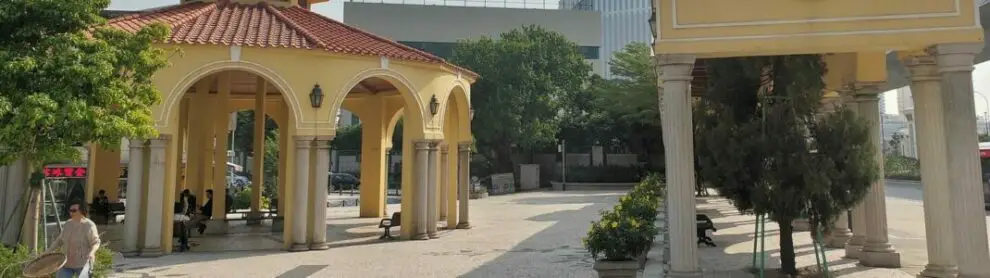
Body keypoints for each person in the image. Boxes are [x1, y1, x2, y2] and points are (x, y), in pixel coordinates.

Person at [47, 202, 100, 278]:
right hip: (66, 263)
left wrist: (92, 252)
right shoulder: (67, 224)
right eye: (70, 210)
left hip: (83, 263)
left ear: (81, 211)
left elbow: (96, 242)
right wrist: (48, 251)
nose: (71, 212)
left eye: (74, 210)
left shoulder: (89, 225)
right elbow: (59, 240)